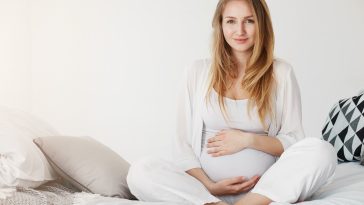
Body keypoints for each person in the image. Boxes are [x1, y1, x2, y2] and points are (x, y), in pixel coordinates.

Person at [127, 0, 337, 204]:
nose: (240, 30)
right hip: (203, 191)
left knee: (321, 151)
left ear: (262, 24)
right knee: (140, 171)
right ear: (220, 25)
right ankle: (211, 203)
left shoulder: (281, 72)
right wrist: (209, 186)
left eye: (249, 21)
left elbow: (293, 140)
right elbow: (182, 145)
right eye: (231, 21)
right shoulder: (197, 72)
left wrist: (247, 140)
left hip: (262, 192)